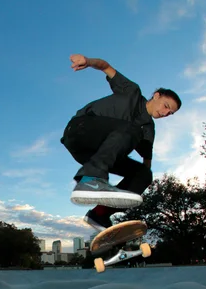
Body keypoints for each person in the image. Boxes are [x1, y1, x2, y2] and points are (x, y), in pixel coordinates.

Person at [60, 54, 181, 231]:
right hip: (80, 130)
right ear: (156, 95)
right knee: (132, 129)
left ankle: (99, 215)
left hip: (93, 154)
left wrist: (138, 188)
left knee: (143, 174)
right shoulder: (131, 91)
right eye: (166, 106)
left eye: (170, 114)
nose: (165, 113)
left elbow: (146, 162)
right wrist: (88, 61)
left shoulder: (148, 128)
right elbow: (105, 66)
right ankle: (91, 179)